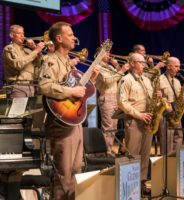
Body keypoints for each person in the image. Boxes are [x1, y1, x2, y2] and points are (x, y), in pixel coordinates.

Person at [39, 21, 100, 200]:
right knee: (63, 175)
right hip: (61, 123)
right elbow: (44, 86)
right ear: (59, 38)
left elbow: (78, 93)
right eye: (70, 34)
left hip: (74, 121)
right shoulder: (50, 60)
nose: (74, 38)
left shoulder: (67, 62)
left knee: (76, 171)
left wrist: (92, 79)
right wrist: (71, 91)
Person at [117, 52, 160, 195]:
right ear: (133, 63)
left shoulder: (146, 80)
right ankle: (129, 187)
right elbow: (122, 102)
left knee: (145, 154)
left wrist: (158, 98)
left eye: (144, 62)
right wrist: (139, 114)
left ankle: (141, 183)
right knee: (132, 154)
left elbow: (151, 99)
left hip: (147, 120)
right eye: (141, 62)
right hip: (134, 120)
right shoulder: (126, 80)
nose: (144, 65)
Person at [95, 51, 129, 157]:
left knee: (114, 127)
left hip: (115, 97)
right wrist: (122, 70)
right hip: (107, 97)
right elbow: (108, 81)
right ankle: (106, 151)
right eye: (106, 53)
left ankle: (108, 150)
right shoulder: (97, 67)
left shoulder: (109, 67)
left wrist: (117, 66)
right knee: (108, 127)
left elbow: (121, 77)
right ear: (98, 55)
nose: (109, 55)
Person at [2, 24, 45, 97]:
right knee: (18, 108)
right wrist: (36, 51)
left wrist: (35, 48)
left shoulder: (27, 50)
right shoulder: (9, 49)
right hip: (17, 86)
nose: (23, 36)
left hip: (31, 86)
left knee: (31, 109)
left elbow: (40, 63)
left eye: (23, 33)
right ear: (12, 35)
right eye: (19, 33)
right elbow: (18, 64)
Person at [158, 57, 184, 155]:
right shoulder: (160, 79)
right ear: (169, 66)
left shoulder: (177, 81)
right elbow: (158, 97)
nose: (179, 69)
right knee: (167, 140)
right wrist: (166, 105)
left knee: (179, 136)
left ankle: (176, 159)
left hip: (176, 113)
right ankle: (166, 163)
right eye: (176, 66)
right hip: (165, 113)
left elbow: (177, 97)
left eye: (179, 66)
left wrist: (182, 98)